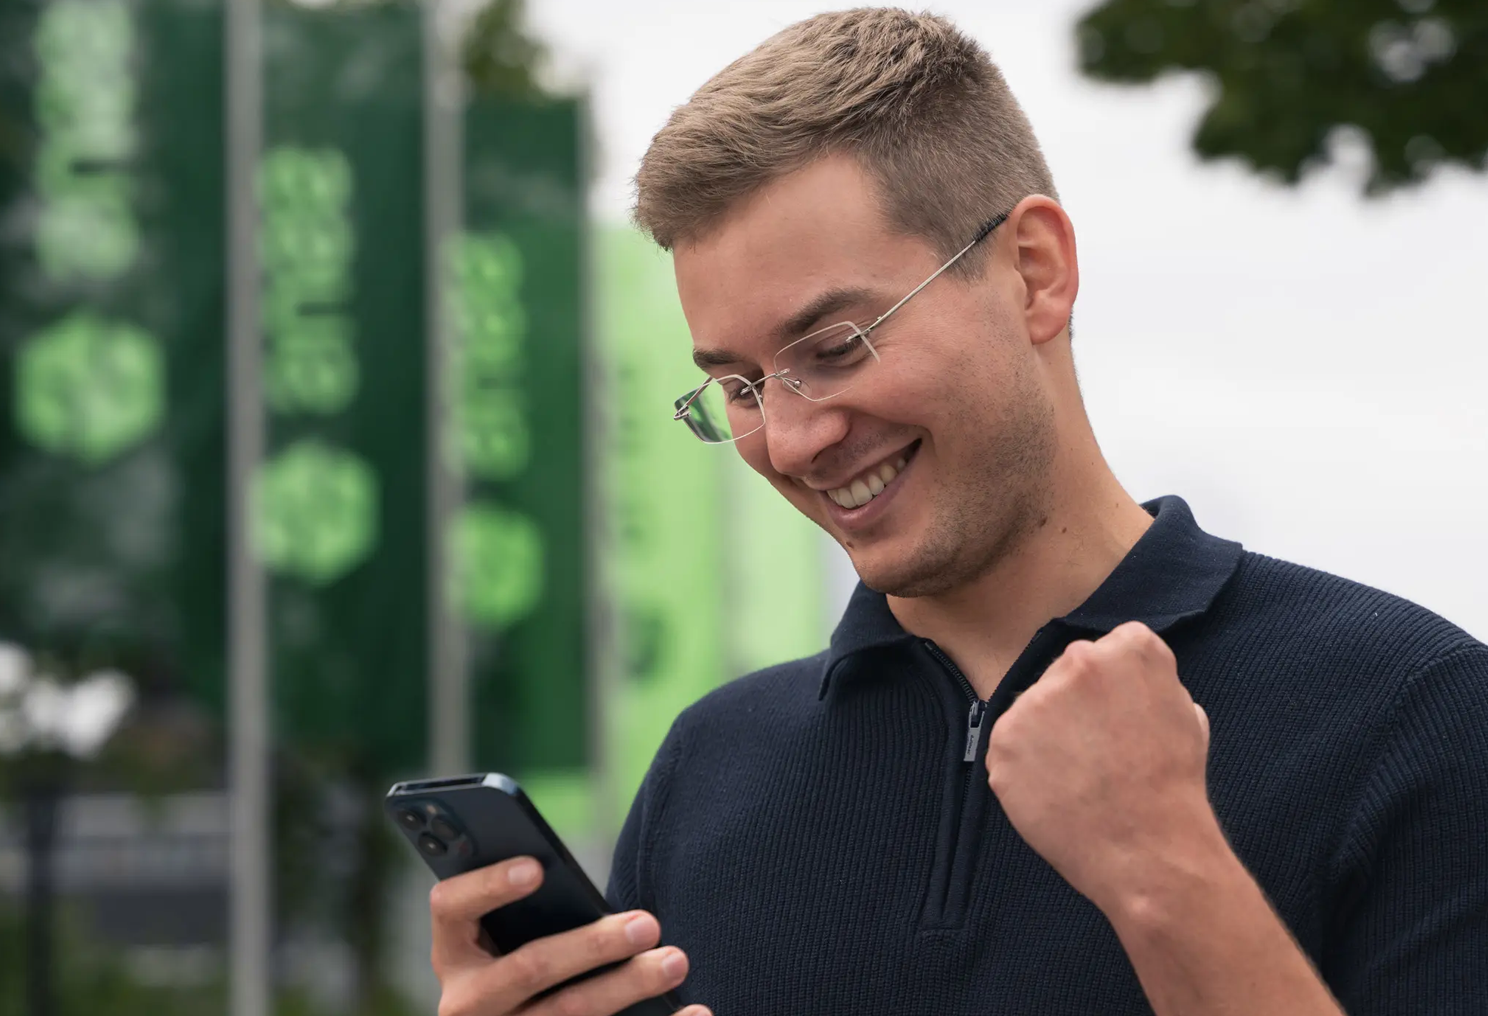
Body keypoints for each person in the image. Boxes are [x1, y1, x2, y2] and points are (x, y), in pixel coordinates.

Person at [424, 9, 1488, 1015]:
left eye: (834, 348)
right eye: (740, 386)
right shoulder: (709, 768)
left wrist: (1170, 877)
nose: (790, 440)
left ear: (1034, 271)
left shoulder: (1418, 713)